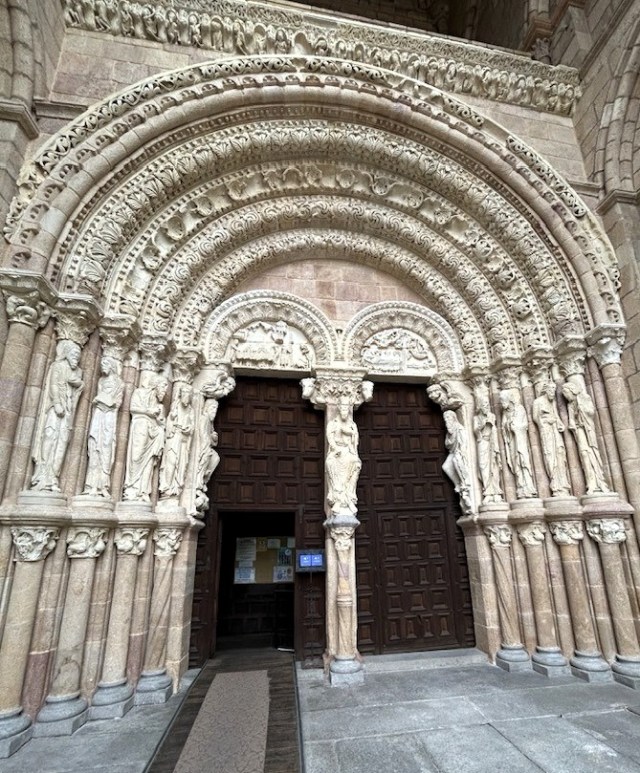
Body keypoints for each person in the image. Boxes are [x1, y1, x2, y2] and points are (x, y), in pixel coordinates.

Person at [31, 340, 84, 492]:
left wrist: (80, 384)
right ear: (66, 354)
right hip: (56, 408)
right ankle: (42, 474)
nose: (77, 357)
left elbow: (77, 388)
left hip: (68, 410)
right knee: (49, 435)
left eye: (79, 355)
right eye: (74, 354)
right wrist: (56, 403)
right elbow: (53, 384)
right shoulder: (58, 366)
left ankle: (53, 476)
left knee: (62, 441)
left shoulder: (78, 372)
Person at [84, 356, 124, 497]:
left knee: (107, 448)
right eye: (101, 364)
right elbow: (98, 396)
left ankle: (103, 485)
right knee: (94, 446)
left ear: (111, 366)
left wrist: (110, 403)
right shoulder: (101, 381)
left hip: (110, 416)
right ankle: (92, 485)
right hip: (99, 414)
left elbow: (118, 402)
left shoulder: (119, 383)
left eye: (105, 364)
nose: (102, 367)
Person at [123, 375, 168, 502]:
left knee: (149, 460)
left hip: (153, 431)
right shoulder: (139, 393)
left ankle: (143, 491)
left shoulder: (160, 406)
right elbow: (133, 408)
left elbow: (162, 423)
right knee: (136, 457)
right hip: (140, 426)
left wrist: (160, 420)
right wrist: (148, 411)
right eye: (163, 387)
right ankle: (132, 488)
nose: (165, 391)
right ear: (156, 385)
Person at [562, 380, 609, 494]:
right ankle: (590, 482)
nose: (566, 397)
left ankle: (600, 481)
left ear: (572, 391)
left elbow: (591, 412)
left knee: (593, 452)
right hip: (579, 429)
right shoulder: (570, 405)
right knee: (584, 453)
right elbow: (571, 419)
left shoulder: (584, 398)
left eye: (566, 393)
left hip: (588, 429)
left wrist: (581, 409)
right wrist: (572, 424)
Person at [532, 381, 571, 496]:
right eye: (550, 390)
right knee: (550, 455)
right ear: (545, 390)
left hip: (555, 430)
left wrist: (559, 423)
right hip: (546, 431)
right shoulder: (537, 402)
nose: (552, 393)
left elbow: (556, 415)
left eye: (554, 390)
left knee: (560, 452)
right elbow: (535, 418)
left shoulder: (552, 401)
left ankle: (563, 483)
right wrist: (545, 422)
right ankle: (555, 484)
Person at [499, 389, 537, 498]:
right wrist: (508, 425)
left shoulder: (519, 409)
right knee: (515, 462)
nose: (501, 403)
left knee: (523, 460)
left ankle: (528, 486)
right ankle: (521, 486)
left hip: (520, 440)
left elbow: (524, 425)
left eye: (503, 400)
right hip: (512, 441)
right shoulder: (505, 413)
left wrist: (516, 427)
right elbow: (503, 427)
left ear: (509, 399)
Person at [159, 384, 195, 498]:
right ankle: (166, 488)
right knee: (171, 461)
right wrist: (171, 419)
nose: (186, 396)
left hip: (183, 440)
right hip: (174, 437)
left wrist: (189, 429)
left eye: (188, 394)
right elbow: (168, 422)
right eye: (184, 393)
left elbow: (192, 426)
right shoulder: (175, 406)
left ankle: (175, 489)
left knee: (181, 465)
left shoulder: (191, 410)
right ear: (180, 394)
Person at [326, 403, 361, 516]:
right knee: (329, 462)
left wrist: (352, 433)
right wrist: (336, 448)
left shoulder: (352, 425)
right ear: (339, 410)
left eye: (346, 410)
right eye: (343, 410)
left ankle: (349, 497)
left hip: (348, 450)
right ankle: (338, 499)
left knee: (356, 464)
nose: (345, 412)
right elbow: (330, 438)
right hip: (337, 451)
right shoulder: (333, 424)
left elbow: (355, 440)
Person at [443, 410, 473, 513]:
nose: (447, 421)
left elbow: (464, 444)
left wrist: (461, 453)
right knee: (446, 467)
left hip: (460, 452)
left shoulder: (459, 429)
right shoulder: (450, 431)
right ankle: (458, 485)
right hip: (453, 452)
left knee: (457, 461)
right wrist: (450, 434)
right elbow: (448, 444)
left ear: (453, 418)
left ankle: (465, 488)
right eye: (445, 419)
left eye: (448, 418)